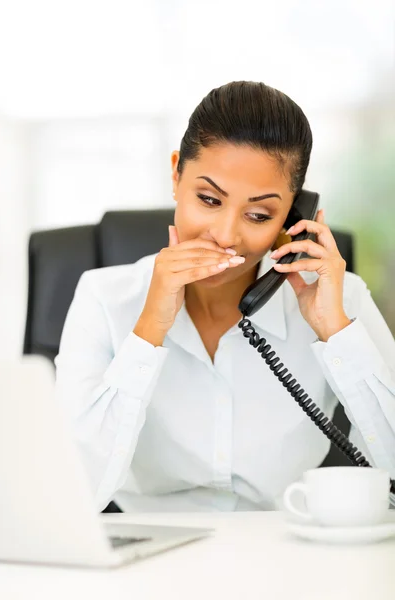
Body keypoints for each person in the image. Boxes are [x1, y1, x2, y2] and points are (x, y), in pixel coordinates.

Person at [55, 81, 395, 513]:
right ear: (177, 175)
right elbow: (73, 497)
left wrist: (335, 331)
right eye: (209, 199)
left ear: (294, 216)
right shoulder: (103, 299)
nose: (227, 235)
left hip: (286, 557)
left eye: (259, 215)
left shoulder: (340, 300)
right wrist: (148, 334)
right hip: (147, 560)